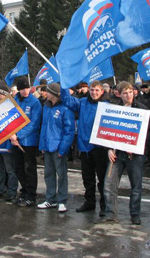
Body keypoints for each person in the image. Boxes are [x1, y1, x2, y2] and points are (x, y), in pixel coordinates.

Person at [98, 81, 150, 225]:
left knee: (136, 186)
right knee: (109, 184)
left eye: (130, 92)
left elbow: (149, 132)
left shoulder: (142, 109)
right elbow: (108, 131)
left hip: (134, 155)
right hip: (117, 154)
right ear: (119, 94)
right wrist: (109, 148)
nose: (128, 95)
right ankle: (110, 213)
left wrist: (136, 146)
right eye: (125, 93)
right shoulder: (114, 109)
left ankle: (135, 214)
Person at [61, 80, 109, 215]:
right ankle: (89, 202)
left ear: (102, 92)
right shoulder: (82, 102)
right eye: (92, 90)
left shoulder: (107, 106)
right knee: (87, 178)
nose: (94, 93)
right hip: (84, 147)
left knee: (102, 178)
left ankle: (104, 205)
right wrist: (65, 83)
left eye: (97, 90)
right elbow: (66, 100)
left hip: (100, 148)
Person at [37, 83, 75, 213]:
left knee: (61, 175)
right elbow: (44, 126)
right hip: (47, 147)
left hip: (58, 147)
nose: (45, 93)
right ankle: (50, 199)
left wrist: (63, 148)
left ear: (54, 94)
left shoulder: (65, 109)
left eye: (48, 92)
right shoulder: (46, 107)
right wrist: (42, 145)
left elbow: (69, 131)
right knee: (48, 174)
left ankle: (62, 201)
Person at [11, 77, 42, 207]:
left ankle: (31, 195)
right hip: (15, 140)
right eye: (22, 88)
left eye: (27, 88)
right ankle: (24, 191)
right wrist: (11, 135)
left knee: (29, 168)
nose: (25, 91)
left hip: (28, 141)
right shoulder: (14, 100)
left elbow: (34, 124)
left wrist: (18, 135)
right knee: (18, 168)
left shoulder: (35, 102)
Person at [0, 84, 19, 201]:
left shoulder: (11, 106)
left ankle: (12, 190)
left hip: (6, 142)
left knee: (10, 169)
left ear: (3, 94)